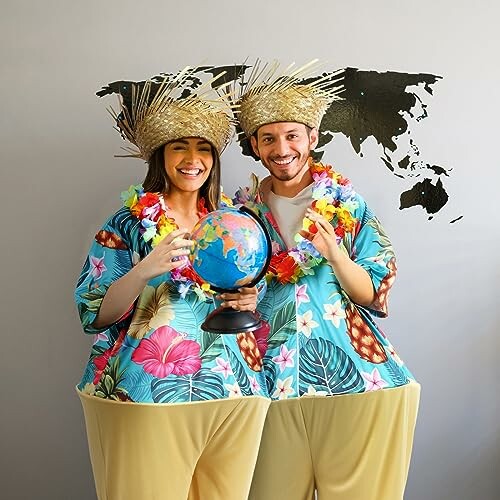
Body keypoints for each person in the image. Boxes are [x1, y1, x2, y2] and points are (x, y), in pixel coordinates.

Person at [75, 69, 270, 500]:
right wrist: (146, 268)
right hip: (147, 389)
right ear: (160, 155)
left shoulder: (233, 222)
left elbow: (255, 306)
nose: (192, 158)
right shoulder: (128, 221)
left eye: (203, 148)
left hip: (233, 384)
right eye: (179, 146)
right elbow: (94, 312)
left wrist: (249, 297)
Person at [233, 62, 421, 500]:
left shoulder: (346, 205)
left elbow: (373, 291)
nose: (282, 149)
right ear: (256, 148)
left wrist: (335, 253)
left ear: (312, 138)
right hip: (266, 380)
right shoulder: (238, 215)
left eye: (292, 135)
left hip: (350, 378)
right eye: (268, 138)